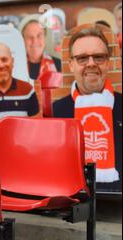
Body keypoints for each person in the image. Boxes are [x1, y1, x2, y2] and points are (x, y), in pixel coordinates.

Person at [53, 25, 121, 192]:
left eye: (98, 57)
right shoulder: (56, 112)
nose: (91, 64)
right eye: (82, 58)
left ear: (108, 63)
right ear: (71, 65)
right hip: (73, 207)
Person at [0, 42, 39, 156]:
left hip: (23, 156)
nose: (0, 65)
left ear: (12, 62)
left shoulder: (28, 91)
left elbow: (36, 130)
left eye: (4, 59)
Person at [19, 15, 61, 80]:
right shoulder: (15, 67)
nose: (35, 41)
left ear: (45, 37)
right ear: (23, 40)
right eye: (29, 36)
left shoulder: (59, 65)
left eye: (39, 35)